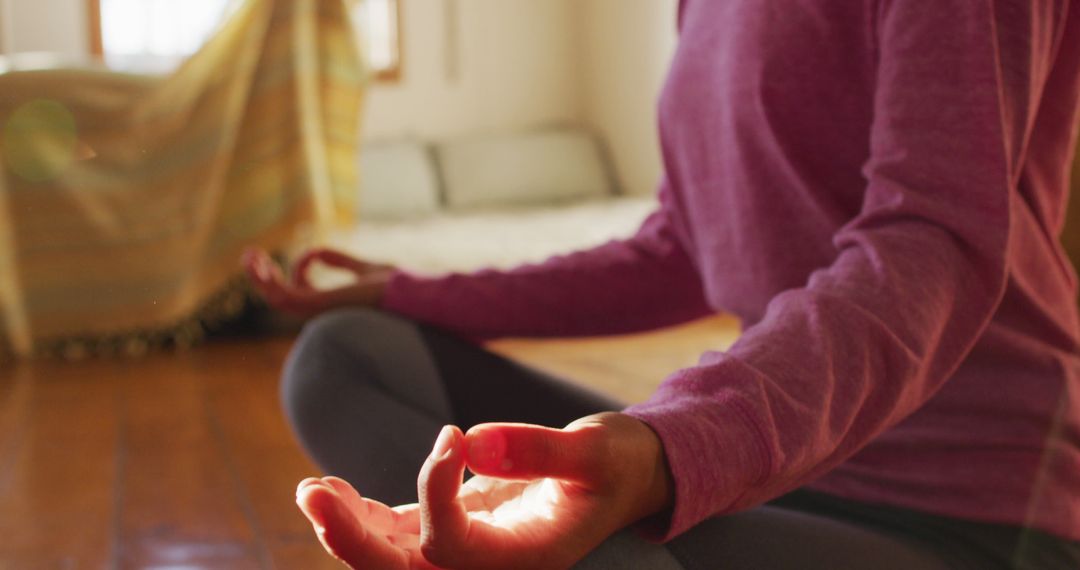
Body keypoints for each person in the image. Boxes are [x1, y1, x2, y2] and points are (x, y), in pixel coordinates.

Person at [244, 1, 1080, 568]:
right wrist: (402, 291)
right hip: (788, 472)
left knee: (570, 544)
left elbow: (933, 239)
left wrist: (672, 447)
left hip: (967, 510)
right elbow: (680, 248)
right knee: (344, 359)